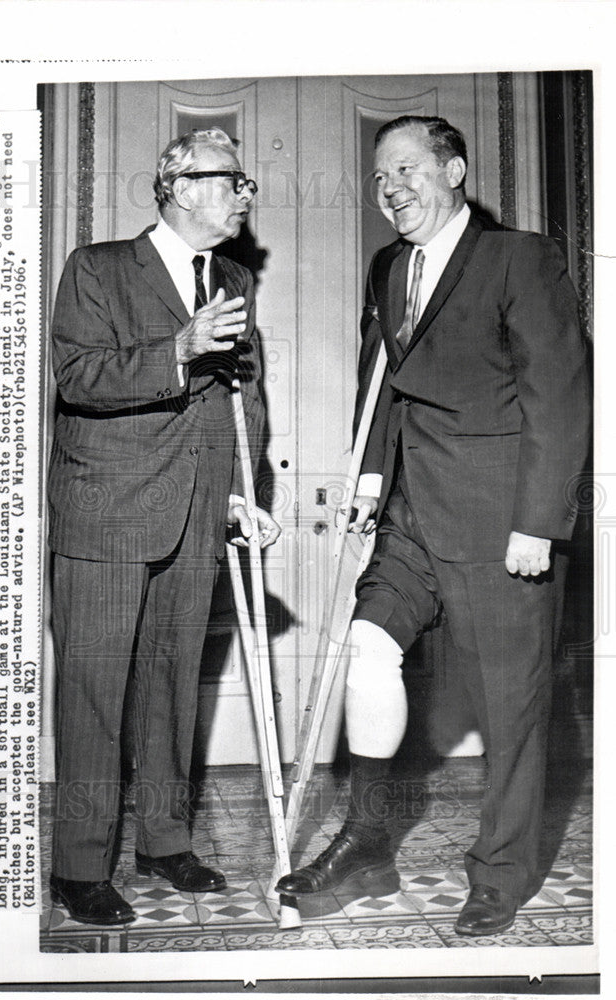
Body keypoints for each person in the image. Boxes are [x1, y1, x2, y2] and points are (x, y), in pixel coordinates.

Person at [276, 115, 590, 936]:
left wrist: (538, 524)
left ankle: (502, 871)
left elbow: (559, 394)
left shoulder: (518, 258)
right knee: (367, 652)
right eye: (380, 179)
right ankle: (367, 845)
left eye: (408, 169)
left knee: (510, 705)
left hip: (500, 519)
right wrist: (371, 475)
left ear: (453, 170)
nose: (392, 189)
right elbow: (381, 380)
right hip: (410, 512)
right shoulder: (389, 268)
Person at [48, 127, 280, 926]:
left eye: (246, 182)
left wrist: (240, 495)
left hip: (194, 513)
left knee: (171, 688)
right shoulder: (99, 268)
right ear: (179, 185)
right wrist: (177, 347)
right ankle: (79, 869)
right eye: (231, 179)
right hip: (106, 513)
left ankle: (163, 842)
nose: (244, 193)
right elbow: (78, 377)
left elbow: (240, 399)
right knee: (93, 694)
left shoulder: (232, 276)